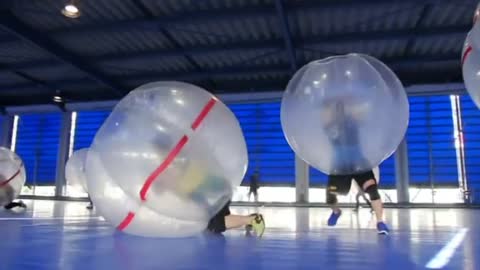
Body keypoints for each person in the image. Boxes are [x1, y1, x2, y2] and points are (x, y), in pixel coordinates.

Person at [323, 100, 389, 235]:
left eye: (342, 110)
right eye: (337, 110)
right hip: (340, 166)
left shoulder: (353, 122)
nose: (340, 113)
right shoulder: (329, 126)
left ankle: (380, 222)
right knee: (330, 198)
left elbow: (364, 117)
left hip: (359, 163)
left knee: (372, 190)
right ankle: (336, 212)